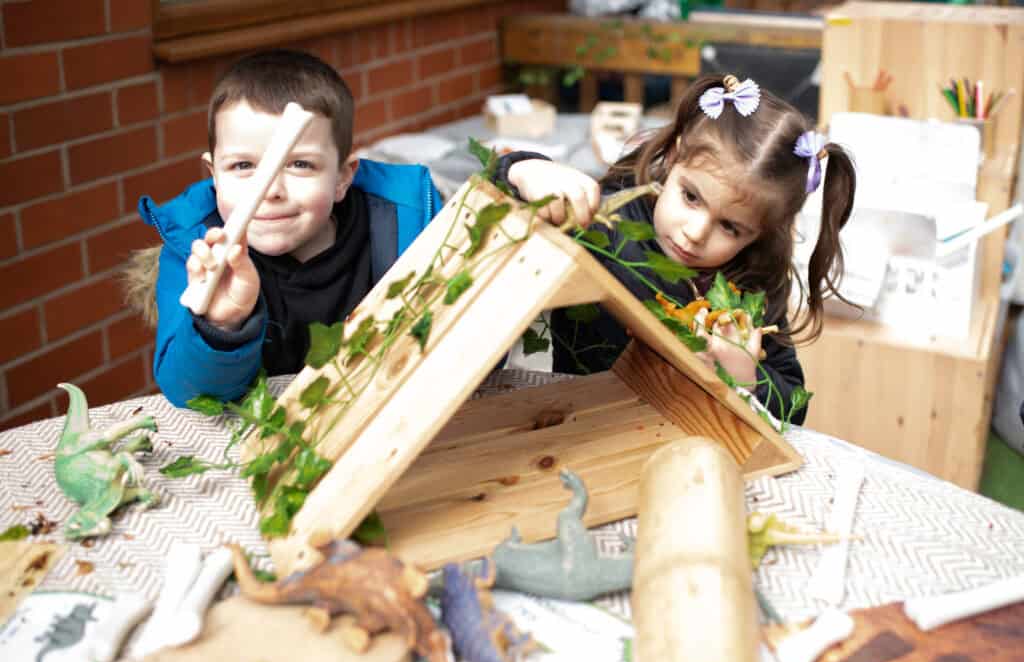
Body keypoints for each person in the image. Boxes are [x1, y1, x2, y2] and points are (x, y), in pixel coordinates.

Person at [495, 74, 856, 424]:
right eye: (691, 196)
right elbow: (484, 216)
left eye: (730, 227)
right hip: (581, 427)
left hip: (686, 444)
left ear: (760, 233)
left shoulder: (752, 280)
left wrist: (748, 377)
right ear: (673, 155)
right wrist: (524, 171)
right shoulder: (601, 224)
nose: (695, 233)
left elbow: (794, 408)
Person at [133, 49, 443, 407]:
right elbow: (192, 396)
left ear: (343, 176)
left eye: (299, 164)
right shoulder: (194, 249)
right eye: (243, 166)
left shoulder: (404, 223)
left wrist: (511, 177)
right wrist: (223, 325)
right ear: (213, 175)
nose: (271, 190)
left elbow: (477, 343)